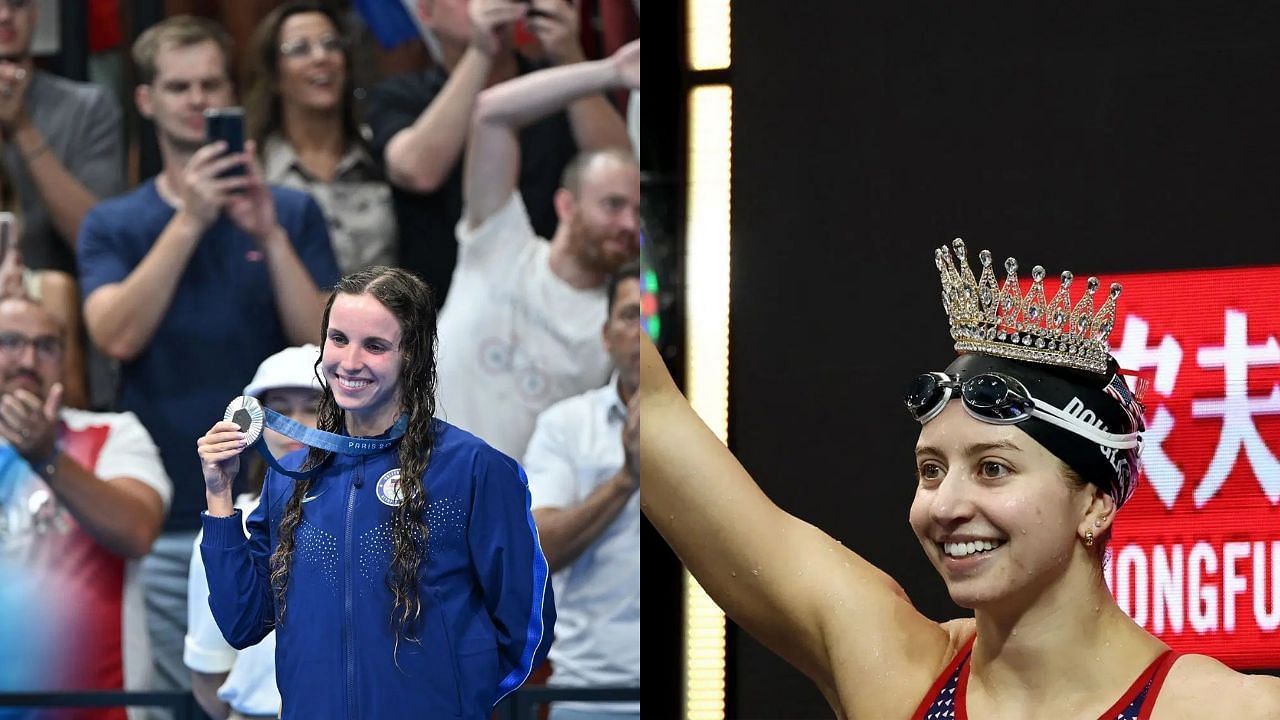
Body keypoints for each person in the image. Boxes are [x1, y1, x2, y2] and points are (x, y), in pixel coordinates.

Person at [639, 240, 1280, 718]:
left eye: (992, 469)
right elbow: (654, 416)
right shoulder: (897, 677)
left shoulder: (1223, 708)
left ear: (1094, 501)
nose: (945, 506)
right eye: (931, 469)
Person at [77, 15, 341, 708]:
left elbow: (330, 350)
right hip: (167, 515)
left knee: (277, 698)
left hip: (292, 511)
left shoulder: (288, 210)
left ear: (234, 93)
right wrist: (190, 218)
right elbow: (115, 336)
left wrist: (268, 234)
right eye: (178, 86)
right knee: (180, 700)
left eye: (211, 85)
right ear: (146, 100)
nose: (196, 100)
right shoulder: (116, 224)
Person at [196, 266, 554, 718]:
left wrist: (460, 703)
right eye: (339, 338)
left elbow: (528, 628)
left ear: (413, 355)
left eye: (376, 346)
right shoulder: (289, 476)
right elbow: (241, 621)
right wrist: (220, 494)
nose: (349, 362)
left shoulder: (473, 470)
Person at [435, 39, 640, 461]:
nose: (628, 224)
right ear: (566, 204)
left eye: (639, 213)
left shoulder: (620, 322)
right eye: (613, 205)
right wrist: (611, 72)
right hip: (415, 481)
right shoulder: (500, 244)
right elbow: (492, 112)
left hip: (517, 515)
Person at [366, 0, 631, 305]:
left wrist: (569, 56)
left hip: (560, 302)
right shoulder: (402, 94)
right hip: (442, 312)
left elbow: (620, 169)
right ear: (426, 13)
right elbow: (417, 171)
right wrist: (480, 52)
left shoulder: (557, 83)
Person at [0, 294, 171, 718]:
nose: (28, 360)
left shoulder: (112, 433)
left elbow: (136, 532)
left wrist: (47, 459)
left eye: (46, 346)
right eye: (10, 342)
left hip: (100, 708)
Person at [524, 262, 641, 720]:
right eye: (631, 315)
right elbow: (540, 550)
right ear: (607, 335)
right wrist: (625, 480)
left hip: (702, 680)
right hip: (589, 689)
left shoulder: (718, 418)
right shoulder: (567, 425)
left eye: (654, 316)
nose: (643, 332)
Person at [0, 0, 128, 410]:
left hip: (64, 347)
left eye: (17, 4)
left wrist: (20, 126)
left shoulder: (88, 108)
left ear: (36, 14)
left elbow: (93, 238)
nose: (5, 15)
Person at [185, 345, 322, 720]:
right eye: (279, 409)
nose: (295, 423)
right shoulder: (222, 523)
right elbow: (207, 673)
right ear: (253, 421)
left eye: (312, 407)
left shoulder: (363, 514)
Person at [243, 1, 397, 275]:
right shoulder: (255, 171)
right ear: (275, 75)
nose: (320, 57)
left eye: (331, 44)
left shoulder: (381, 156)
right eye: (299, 49)